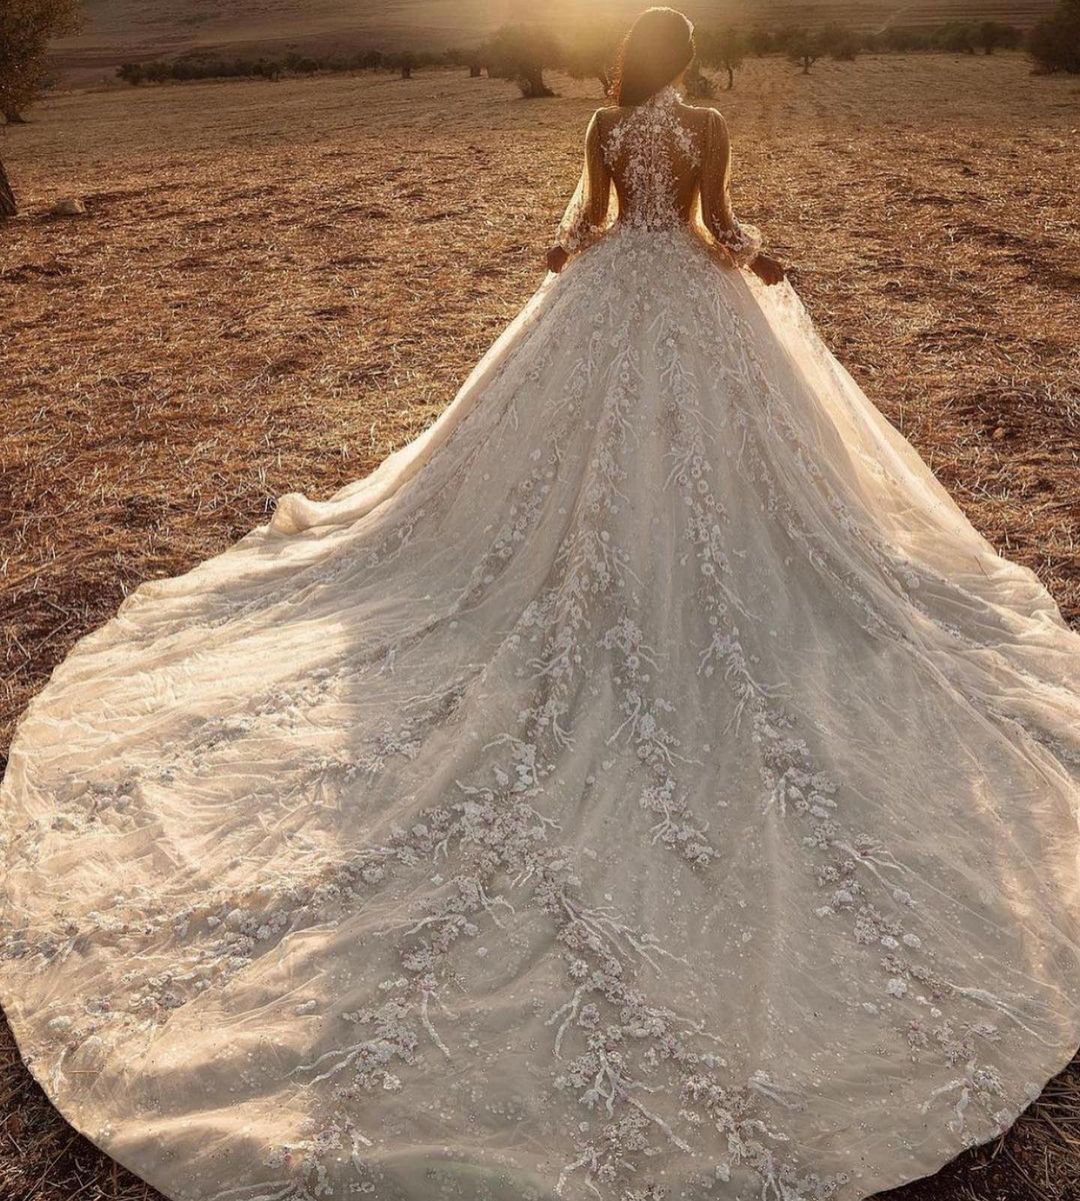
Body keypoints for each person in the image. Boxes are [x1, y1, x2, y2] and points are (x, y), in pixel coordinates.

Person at [2, 8, 1079, 1201]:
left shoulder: (607, 121)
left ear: (632, 66)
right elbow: (717, 231)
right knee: (713, 470)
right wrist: (760, 259)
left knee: (565, 460)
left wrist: (566, 252)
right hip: (684, 300)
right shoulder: (709, 125)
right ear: (690, 64)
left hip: (610, 293)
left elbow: (592, 223)